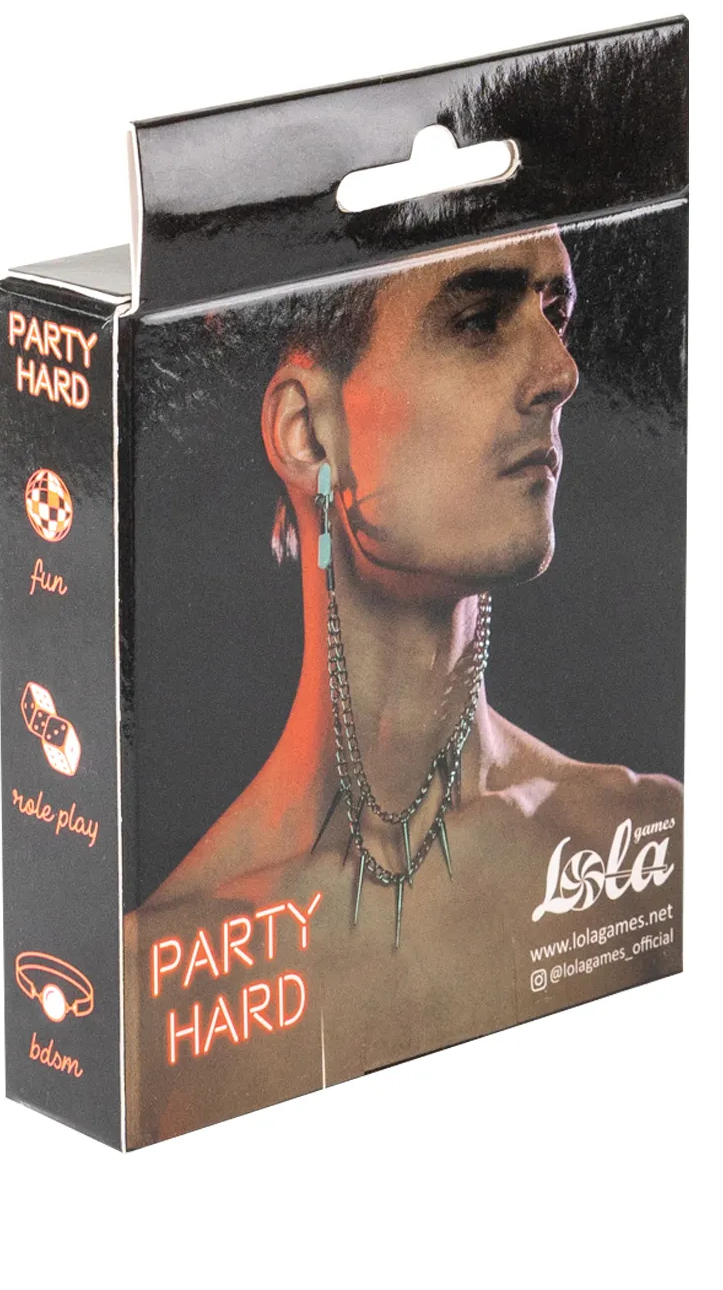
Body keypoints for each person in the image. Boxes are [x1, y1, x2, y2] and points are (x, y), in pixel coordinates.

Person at [124, 224, 682, 1145]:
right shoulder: (153, 998)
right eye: (477, 321)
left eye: (555, 314)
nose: (561, 373)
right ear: (309, 434)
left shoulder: (640, 856)